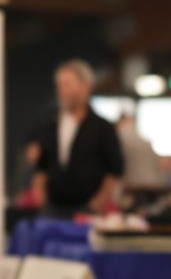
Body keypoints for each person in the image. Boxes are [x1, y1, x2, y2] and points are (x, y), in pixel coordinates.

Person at [30, 59, 123, 219]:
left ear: (85, 86)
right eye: (59, 85)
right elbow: (42, 166)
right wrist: (38, 191)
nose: (61, 90)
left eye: (67, 84)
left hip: (88, 210)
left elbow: (115, 168)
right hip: (53, 210)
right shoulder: (50, 125)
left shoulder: (103, 127)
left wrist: (99, 201)